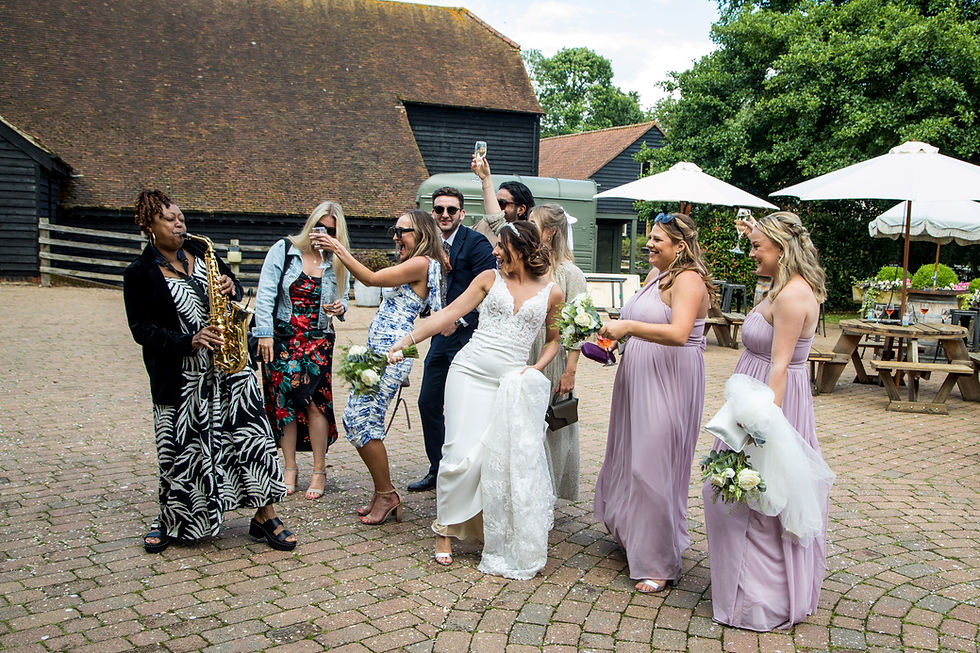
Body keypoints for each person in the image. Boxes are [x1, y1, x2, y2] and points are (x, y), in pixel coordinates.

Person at [123, 189, 295, 553]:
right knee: (183, 450)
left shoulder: (202, 252)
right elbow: (142, 330)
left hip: (232, 369)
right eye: (169, 218)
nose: (178, 222)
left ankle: (265, 515)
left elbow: (234, 292)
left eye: (180, 215)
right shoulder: (140, 273)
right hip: (184, 378)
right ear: (148, 226)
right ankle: (173, 518)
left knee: (251, 441)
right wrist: (190, 340)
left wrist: (233, 286)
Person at [390, 221, 564, 578]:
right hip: (468, 373)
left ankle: (486, 528)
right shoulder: (487, 279)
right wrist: (407, 341)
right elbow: (447, 315)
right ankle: (445, 531)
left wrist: (535, 369)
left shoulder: (553, 293)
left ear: (521, 247)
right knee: (456, 454)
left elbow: (553, 340)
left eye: (501, 246)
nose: (495, 252)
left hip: (508, 383)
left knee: (490, 457)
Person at [702, 211, 831, 631]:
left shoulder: (794, 296)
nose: (751, 252)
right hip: (753, 396)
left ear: (782, 248)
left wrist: (759, 430)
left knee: (758, 495)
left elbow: (779, 367)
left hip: (770, 403)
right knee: (733, 495)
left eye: (759, 246)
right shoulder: (779, 287)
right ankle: (742, 589)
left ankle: (762, 600)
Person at [594, 212, 713, 593]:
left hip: (671, 379)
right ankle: (636, 537)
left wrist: (627, 327)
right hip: (638, 377)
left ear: (680, 246)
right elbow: (646, 321)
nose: (649, 244)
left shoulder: (689, 280)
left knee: (653, 464)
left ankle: (660, 560)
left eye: (657, 240)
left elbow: (679, 333)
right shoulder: (655, 276)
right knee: (629, 458)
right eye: (650, 238)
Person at [319, 209, 446, 524]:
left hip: (391, 354)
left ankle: (388, 494)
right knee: (354, 419)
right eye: (395, 230)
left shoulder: (422, 263)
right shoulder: (413, 263)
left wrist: (337, 248)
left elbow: (371, 279)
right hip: (373, 351)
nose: (395, 236)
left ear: (421, 235)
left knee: (363, 424)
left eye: (402, 231)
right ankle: (381, 492)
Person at [254, 201, 349, 500]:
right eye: (319, 227)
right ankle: (290, 468)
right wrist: (264, 335)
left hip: (318, 340)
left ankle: (319, 470)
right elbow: (265, 293)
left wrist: (340, 307)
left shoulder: (337, 260)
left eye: (331, 231)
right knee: (284, 404)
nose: (323, 234)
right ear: (310, 225)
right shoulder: (284, 250)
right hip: (283, 338)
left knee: (315, 402)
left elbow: (344, 298)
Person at [410, 187, 496, 493]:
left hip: (469, 337)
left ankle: (468, 473)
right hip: (438, 337)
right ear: (433, 213)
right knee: (428, 403)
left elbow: (490, 288)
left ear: (461, 213)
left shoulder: (476, 243)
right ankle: (438, 468)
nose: (444, 215)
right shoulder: (427, 245)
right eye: (439, 210)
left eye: (451, 210)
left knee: (465, 408)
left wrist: (457, 319)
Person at [529, 204, 587, 501]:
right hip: (527, 355)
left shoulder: (569, 274)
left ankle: (547, 493)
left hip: (555, 360)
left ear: (549, 232)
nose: (526, 226)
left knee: (551, 426)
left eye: (532, 222)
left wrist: (570, 370)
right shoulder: (528, 267)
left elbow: (579, 326)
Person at [471, 155, 535, 247]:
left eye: (502, 203)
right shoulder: (484, 224)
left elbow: (497, 220)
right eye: (495, 202)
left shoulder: (527, 236)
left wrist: (486, 179)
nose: (496, 207)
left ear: (521, 209)